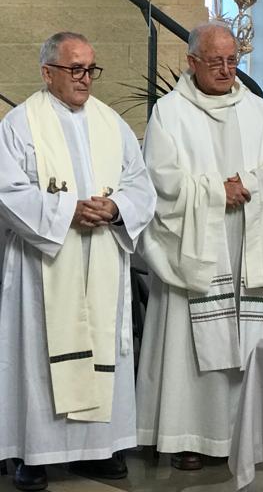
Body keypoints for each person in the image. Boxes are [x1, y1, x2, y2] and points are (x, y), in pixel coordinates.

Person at [135, 22, 263, 471]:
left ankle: (238, 434)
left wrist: (245, 182)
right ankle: (188, 436)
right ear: (192, 62)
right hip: (197, 247)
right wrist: (213, 193)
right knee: (188, 349)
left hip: (246, 241)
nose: (227, 69)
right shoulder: (170, 112)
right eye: (216, 61)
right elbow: (160, 181)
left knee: (241, 345)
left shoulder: (254, 109)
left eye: (232, 60)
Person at [0, 32, 156, 491]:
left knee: (100, 348)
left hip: (102, 254)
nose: (86, 78)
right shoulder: (20, 123)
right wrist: (67, 210)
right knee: (39, 355)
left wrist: (116, 208)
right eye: (76, 69)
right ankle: (34, 454)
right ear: (47, 72)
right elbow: (7, 192)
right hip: (44, 261)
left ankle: (98, 449)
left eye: (91, 69)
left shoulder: (112, 123)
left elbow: (139, 184)